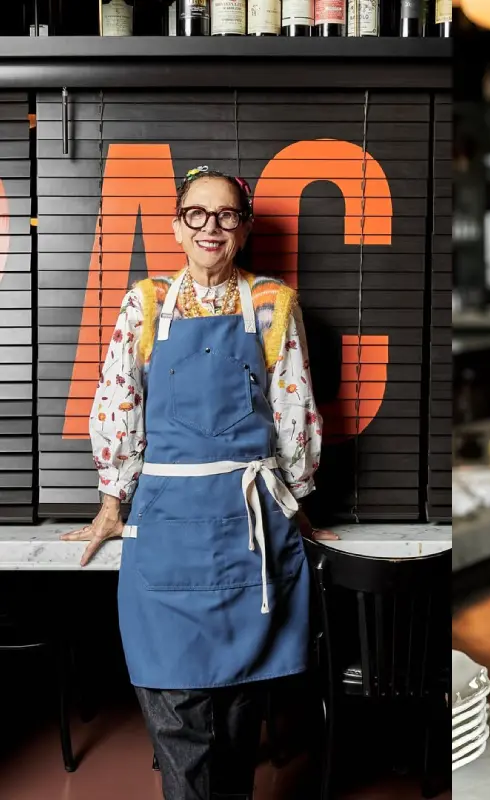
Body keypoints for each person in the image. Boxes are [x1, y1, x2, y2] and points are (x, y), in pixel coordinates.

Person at [63, 165, 333, 800]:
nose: (212, 227)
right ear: (177, 226)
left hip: (249, 531)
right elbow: (117, 404)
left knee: (239, 718)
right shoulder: (146, 301)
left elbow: (296, 413)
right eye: (197, 215)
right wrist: (111, 504)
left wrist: (294, 503)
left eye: (227, 215)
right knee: (178, 725)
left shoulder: (272, 303)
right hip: (165, 531)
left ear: (244, 228)